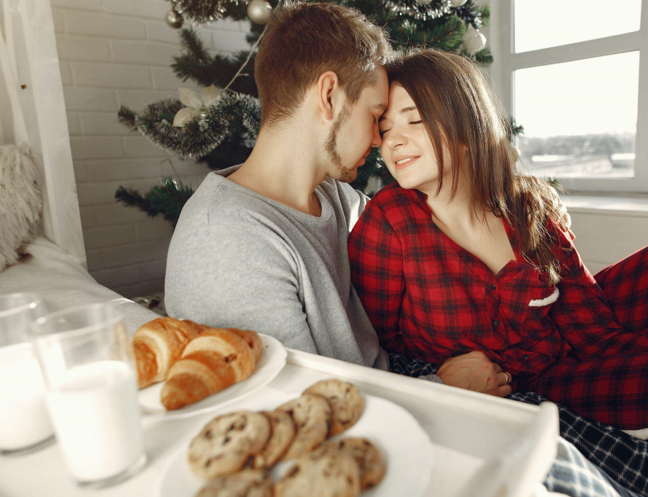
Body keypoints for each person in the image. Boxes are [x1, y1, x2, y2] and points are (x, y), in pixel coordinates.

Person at [348, 48, 648, 473]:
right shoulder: (387, 223)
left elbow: (589, 317)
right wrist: (442, 384)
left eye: (415, 119)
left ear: (465, 126)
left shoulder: (523, 206)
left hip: (576, 334)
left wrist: (647, 362)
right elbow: (375, 348)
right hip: (532, 385)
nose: (392, 141)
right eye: (385, 128)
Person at [164, 1, 511, 390]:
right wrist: (444, 388)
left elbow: (429, 226)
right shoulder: (226, 239)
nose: (381, 141)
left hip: (396, 381)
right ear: (329, 95)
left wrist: (519, 196)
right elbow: (296, 404)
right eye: (375, 114)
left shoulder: (332, 196)